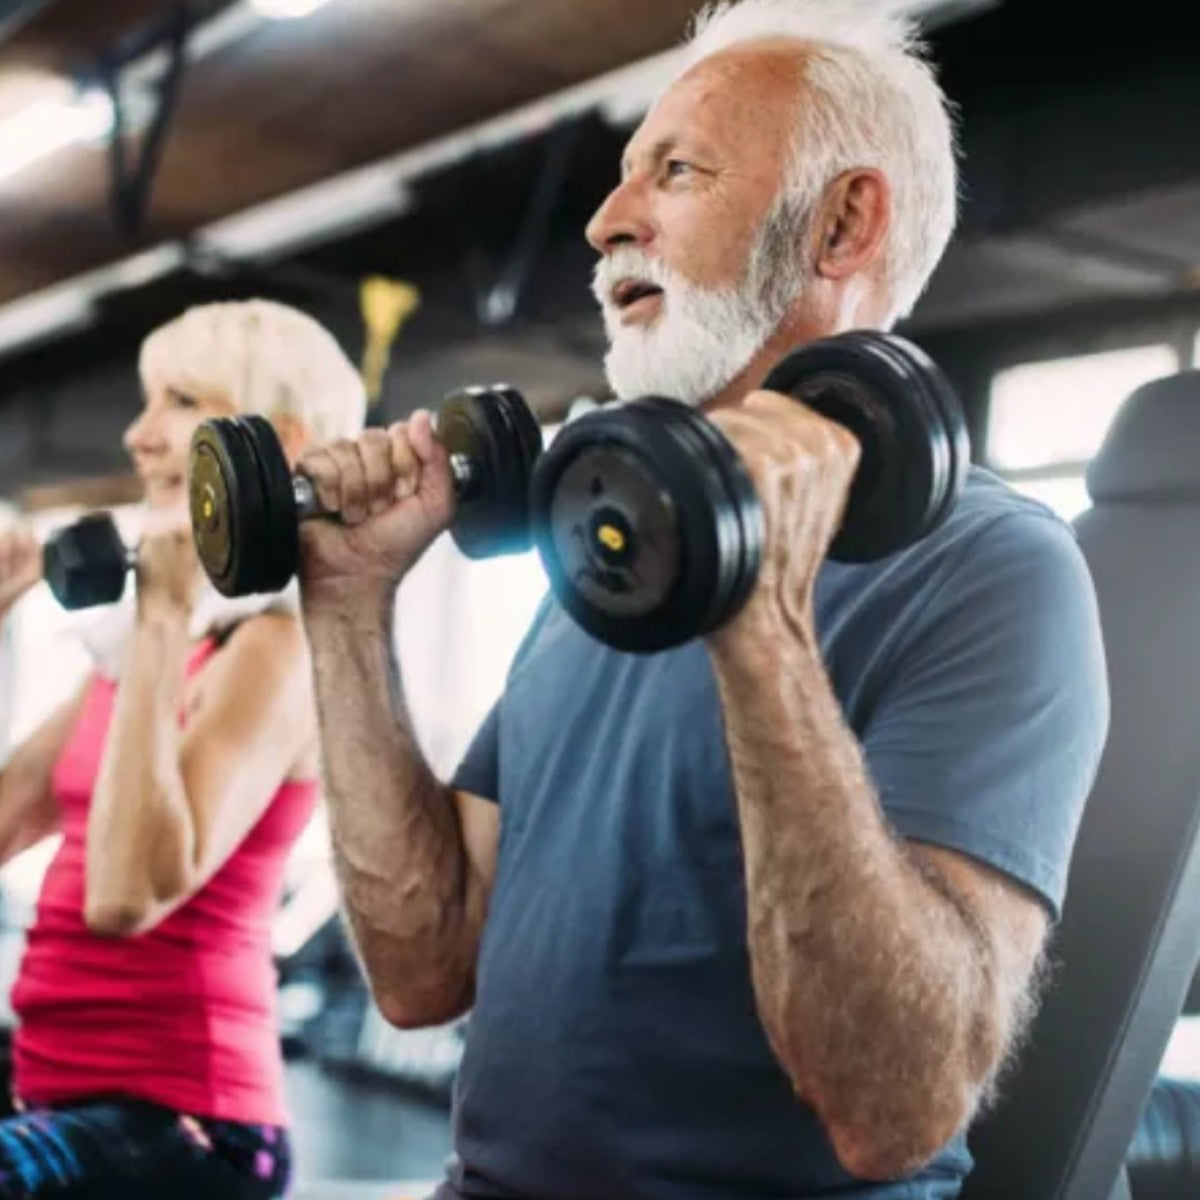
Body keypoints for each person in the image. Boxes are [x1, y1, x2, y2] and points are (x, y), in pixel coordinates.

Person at [294, 2, 1110, 1197]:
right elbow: (424, 968)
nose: (605, 221)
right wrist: (349, 605)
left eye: (674, 171)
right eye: (627, 177)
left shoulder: (995, 570)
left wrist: (763, 623)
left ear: (842, 223)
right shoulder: (605, 559)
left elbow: (894, 1109)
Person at [0, 299, 366, 1199]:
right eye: (145, 401)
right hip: (53, 1082)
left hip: (189, 1124)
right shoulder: (148, 656)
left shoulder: (277, 651)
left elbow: (126, 895)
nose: (138, 435)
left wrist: (162, 617)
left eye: (178, 401)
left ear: (274, 441)